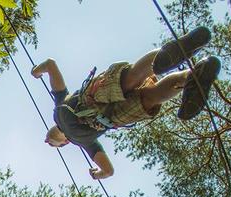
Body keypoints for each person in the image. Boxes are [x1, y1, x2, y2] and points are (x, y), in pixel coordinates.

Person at [31, 27, 220, 180]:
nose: (47, 141)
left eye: (48, 142)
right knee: (149, 98)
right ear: (64, 143)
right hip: (111, 118)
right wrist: (99, 174)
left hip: (90, 97)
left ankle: (171, 53)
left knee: (128, 79)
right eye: (51, 144)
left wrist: (36, 71)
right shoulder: (86, 144)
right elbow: (109, 170)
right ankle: (194, 75)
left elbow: (50, 64)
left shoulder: (59, 103)